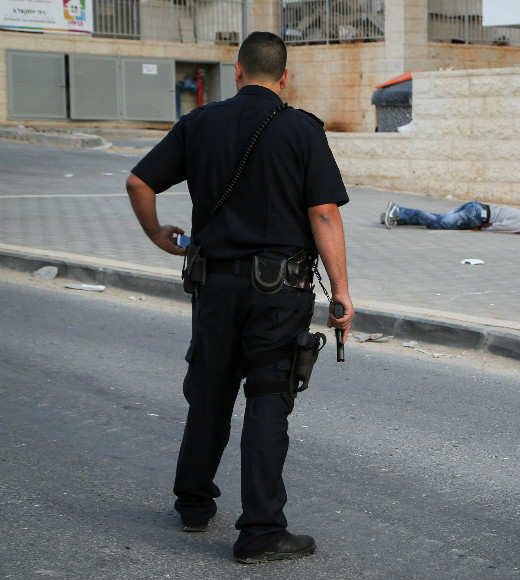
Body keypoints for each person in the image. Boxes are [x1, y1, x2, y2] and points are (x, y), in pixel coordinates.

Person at [125, 31, 354, 564]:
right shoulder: (300, 129)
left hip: (213, 285)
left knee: (209, 388)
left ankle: (193, 504)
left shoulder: (198, 123)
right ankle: (261, 533)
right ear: (285, 76)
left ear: (237, 71)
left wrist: (158, 235)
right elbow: (323, 213)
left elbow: (140, 183)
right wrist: (341, 291)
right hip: (277, 291)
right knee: (268, 397)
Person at [381, 200, 520, 234]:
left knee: (439, 218)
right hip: (478, 217)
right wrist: (479, 228)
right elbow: (501, 227)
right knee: (438, 222)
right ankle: (398, 211)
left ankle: (399, 218)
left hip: (476, 207)